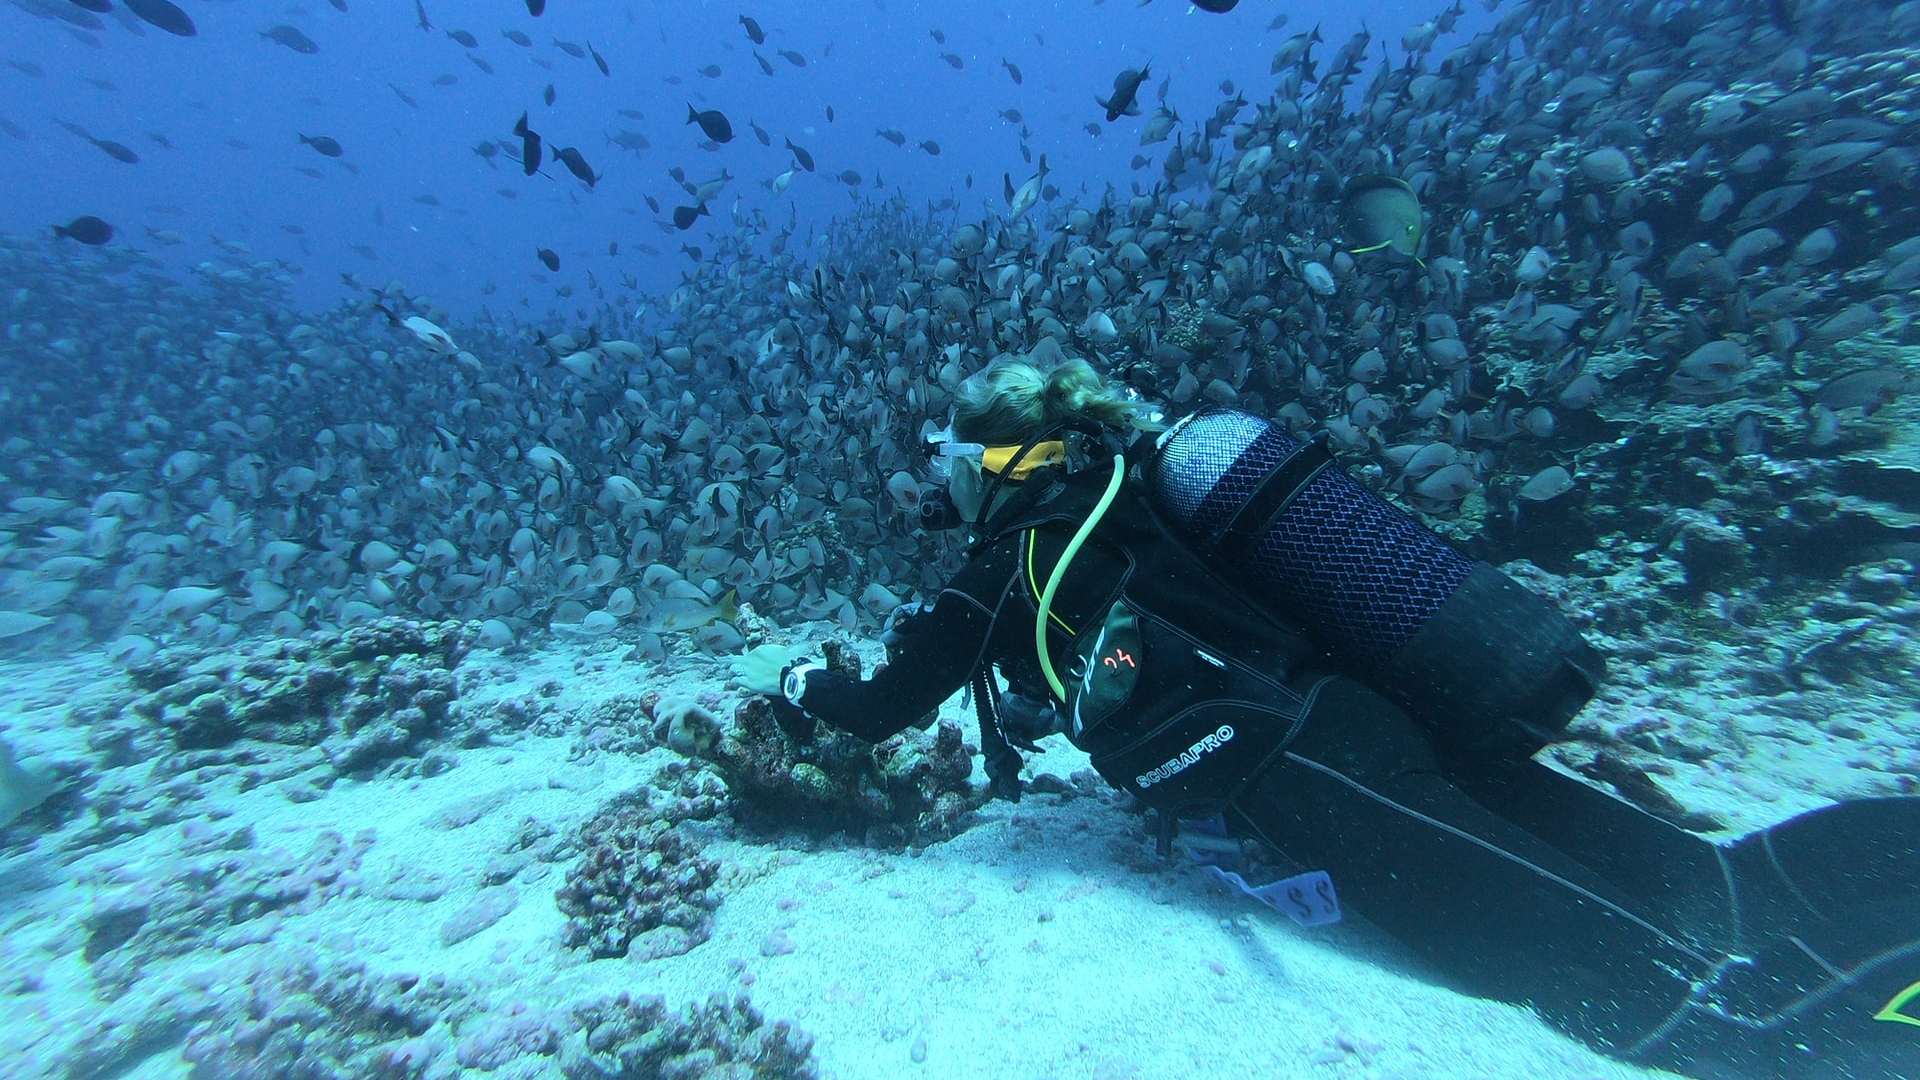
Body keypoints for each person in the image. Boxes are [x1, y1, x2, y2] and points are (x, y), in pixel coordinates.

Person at [735, 356, 1920, 1074]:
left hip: (1314, 772)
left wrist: (795, 688)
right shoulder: (1132, 490)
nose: (949, 492)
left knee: (1670, 1007)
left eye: (957, 466)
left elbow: (885, 705)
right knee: (1715, 888)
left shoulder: (1012, 560)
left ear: (1002, 465)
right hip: (1373, 708)